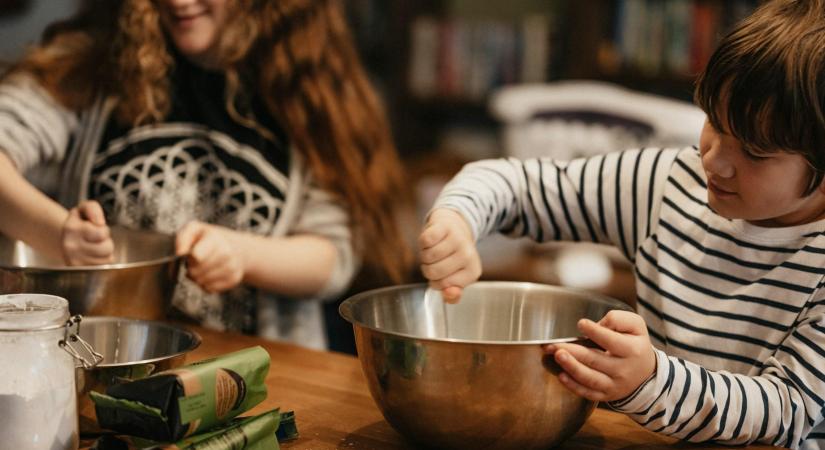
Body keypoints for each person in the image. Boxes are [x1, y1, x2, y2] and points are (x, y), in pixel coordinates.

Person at [418, 0, 825, 447]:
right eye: (714, 123)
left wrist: (650, 379)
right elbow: (515, 184)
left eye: (754, 152)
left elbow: (787, 411)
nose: (714, 159)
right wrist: (457, 218)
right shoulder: (668, 183)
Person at [0, 0, 411, 349]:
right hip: (98, 358)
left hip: (258, 376)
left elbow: (332, 258)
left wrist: (243, 254)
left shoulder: (308, 87)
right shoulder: (91, 64)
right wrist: (58, 234)